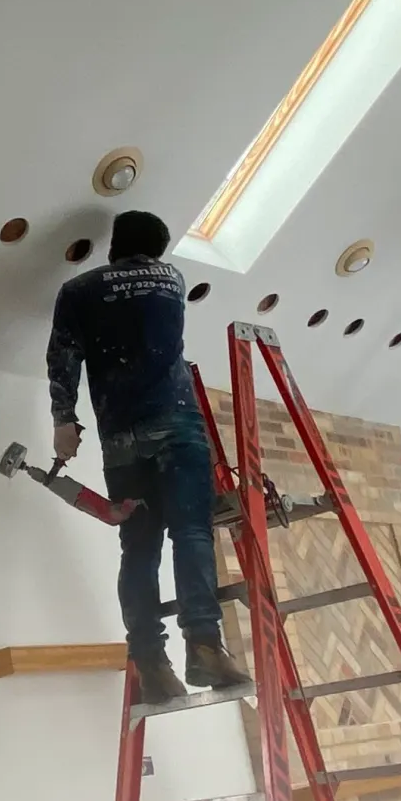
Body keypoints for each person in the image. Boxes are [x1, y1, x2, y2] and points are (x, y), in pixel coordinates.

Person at [46, 209, 251, 707]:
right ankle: (203, 643)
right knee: (192, 531)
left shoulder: (79, 290)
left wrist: (63, 420)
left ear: (115, 245)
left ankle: (150, 662)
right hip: (176, 425)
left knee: (139, 547)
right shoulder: (170, 278)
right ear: (157, 249)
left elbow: (63, 355)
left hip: (120, 438)